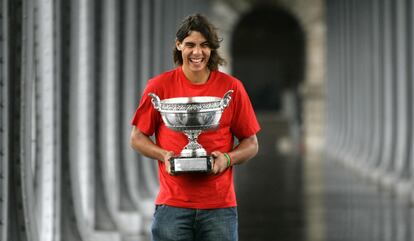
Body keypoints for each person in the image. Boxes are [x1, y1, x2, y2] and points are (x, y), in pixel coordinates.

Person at [130, 13, 260, 241]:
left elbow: (251, 144)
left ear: (212, 49)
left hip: (219, 207)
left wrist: (226, 159)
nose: (197, 52)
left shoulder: (232, 88)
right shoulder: (159, 86)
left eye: (204, 45)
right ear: (179, 45)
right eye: (190, 45)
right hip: (172, 206)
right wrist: (164, 156)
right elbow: (137, 137)